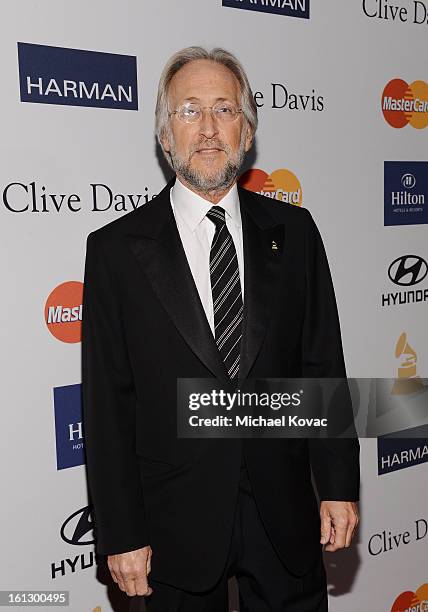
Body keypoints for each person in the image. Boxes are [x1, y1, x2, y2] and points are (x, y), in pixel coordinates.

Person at [82, 46, 360, 611]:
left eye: (225, 110)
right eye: (189, 111)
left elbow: (321, 364)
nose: (209, 128)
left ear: (248, 130)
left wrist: (336, 485)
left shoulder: (296, 231)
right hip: (173, 527)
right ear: (165, 136)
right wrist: (121, 532)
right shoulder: (115, 251)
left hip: (284, 517)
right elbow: (107, 404)